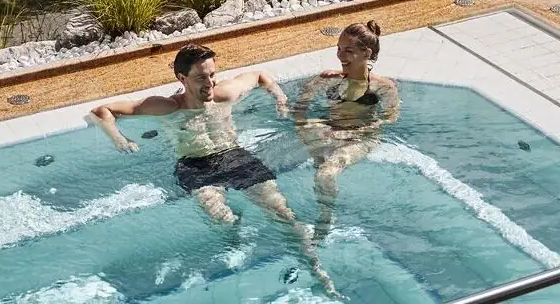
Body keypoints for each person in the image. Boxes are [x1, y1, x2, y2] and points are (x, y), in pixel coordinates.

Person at [90, 43, 337, 296]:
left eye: (212, 75)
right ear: (182, 78)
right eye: (201, 77)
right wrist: (119, 139)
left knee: (284, 215)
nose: (209, 83)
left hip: (234, 157)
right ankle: (236, 236)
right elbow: (102, 111)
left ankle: (318, 271)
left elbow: (260, 76)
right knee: (222, 218)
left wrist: (280, 98)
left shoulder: (225, 94)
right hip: (195, 166)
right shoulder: (167, 107)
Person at [292, 20, 400, 239]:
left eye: (348, 51)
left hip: (362, 137)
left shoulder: (381, 86)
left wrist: (354, 134)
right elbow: (299, 110)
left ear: (366, 53)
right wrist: (314, 85)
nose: (340, 56)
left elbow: (391, 118)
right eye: (339, 49)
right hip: (332, 130)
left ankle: (326, 215)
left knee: (326, 175)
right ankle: (318, 162)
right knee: (308, 128)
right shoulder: (331, 81)